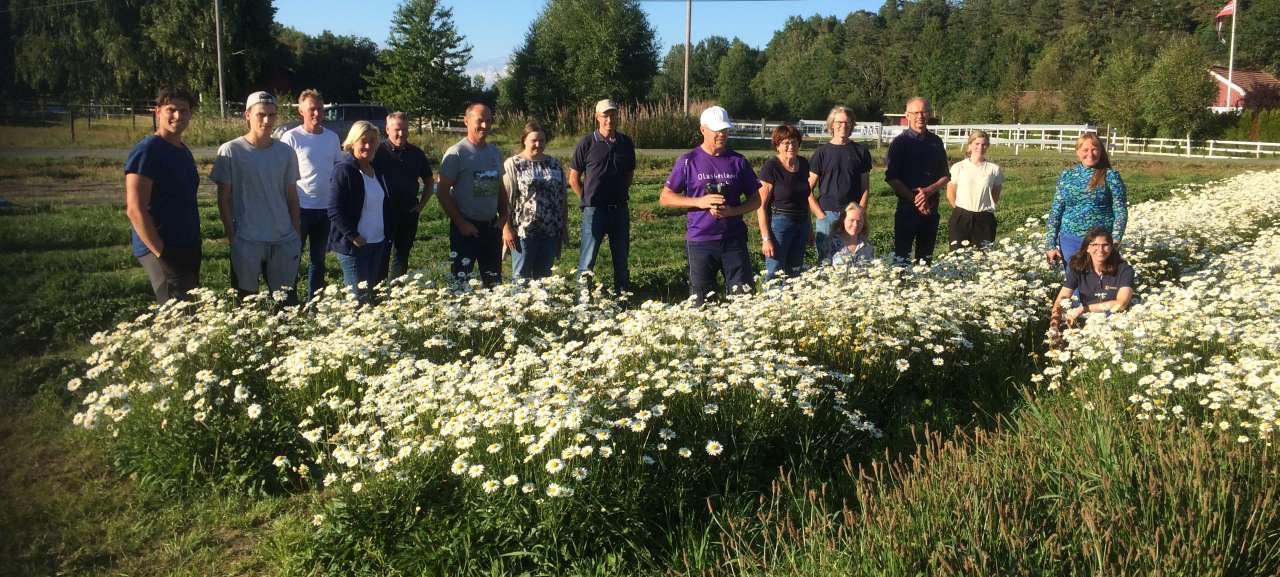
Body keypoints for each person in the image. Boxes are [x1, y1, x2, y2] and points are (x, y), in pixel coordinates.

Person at [659, 105, 761, 304]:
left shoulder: (738, 161)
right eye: (716, 130)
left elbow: (756, 200)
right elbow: (666, 197)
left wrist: (733, 211)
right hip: (700, 241)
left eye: (725, 129)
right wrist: (700, 202)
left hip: (733, 240)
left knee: (744, 300)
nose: (721, 134)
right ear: (703, 130)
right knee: (702, 302)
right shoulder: (688, 161)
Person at [212, 91, 302, 303]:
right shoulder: (230, 151)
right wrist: (232, 236)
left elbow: (292, 196)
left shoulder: (286, 152)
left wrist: (296, 233)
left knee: (286, 303)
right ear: (247, 115)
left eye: (272, 115)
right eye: (261, 114)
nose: (267, 120)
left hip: (282, 238)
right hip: (247, 239)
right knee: (246, 303)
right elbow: (223, 198)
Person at [124, 86, 202, 304]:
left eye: (184, 111)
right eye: (171, 110)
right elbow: (135, 208)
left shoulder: (182, 150)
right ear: (158, 112)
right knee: (175, 309)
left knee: (191, 306)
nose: (178, 116)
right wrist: (161, 252)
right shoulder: (148, 150)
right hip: (162, 247)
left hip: (186, 243)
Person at [279, 89, 342, 300]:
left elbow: (337, 169)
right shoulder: (291, 137)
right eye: (312, 109)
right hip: (299, 208)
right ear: (301, 111)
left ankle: (314, 303)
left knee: (319, 260)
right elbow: (282, 173)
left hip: (325, 210)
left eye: (320, 109)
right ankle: (289, 304)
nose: (316, 113)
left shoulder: (332, 138)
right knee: (292, 259)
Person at [570, 99, 636, 293]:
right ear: (597, 118)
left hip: (619, 211)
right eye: (605, 115)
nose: (609, 119)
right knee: (587, 261)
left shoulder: (625, 143)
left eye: (613, 115)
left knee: (621, 261)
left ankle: (622, 301)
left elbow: (629, 175)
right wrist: (586, 198)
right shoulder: (587, 142)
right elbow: (573, 178)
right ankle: (581, 301)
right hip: (594, 211)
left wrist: (620, 192)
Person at [437, 103, 506, 288]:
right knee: (461, 284)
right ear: (466, 121)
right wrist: (461, 223)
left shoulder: (494, 152)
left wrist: (504, 216)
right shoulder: (457, 153)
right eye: (480, 121)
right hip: (466, 230)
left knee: (494, 283)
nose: (485, 126)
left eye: (489, 121)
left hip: (491, 228)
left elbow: (499, 187)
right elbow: (442, 192)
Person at [328, 121, 393, 304]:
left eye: (372, 141)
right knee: (358, 301)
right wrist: (353, 236)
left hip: (377, 243)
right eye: (363, 141)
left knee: (370, 297)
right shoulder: (344, 170)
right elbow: (334, 210)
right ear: (352, 142)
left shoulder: (374, 170)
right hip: (355, 247)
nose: (368, 146)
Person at [1044, 133, 1128, 266]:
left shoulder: (1111, 176)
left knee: (1099, 284)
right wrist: (1050, 244)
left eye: (1095, 149)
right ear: (1077, 152)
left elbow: (1120, 210)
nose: (1090, 153)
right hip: (1070, 241)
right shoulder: (1067, 176)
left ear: (1101, 151)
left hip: (1100, 244)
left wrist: (1116, 240)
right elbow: (1056, 210)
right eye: (1085, 150)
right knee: (1074, 284)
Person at [885, 97, 949, 264]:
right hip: (907, 208)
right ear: (907, 115)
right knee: (902, 257)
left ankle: (924, 287)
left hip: (931, 208)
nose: (920, 116)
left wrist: (928, 191)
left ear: (929, 114)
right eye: (915, 112)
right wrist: (916, 200)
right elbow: (892, 178)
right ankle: (900, 288)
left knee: (926, 258)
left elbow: (945, 176)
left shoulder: (936, 142)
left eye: (924, 112)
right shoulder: (900, 143)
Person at [502, 122, 568, 281]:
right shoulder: (513, 164)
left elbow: (562, 197)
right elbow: (503, 199)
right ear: (524, 140)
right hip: (523, 232)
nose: (538, 144)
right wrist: (506, 228)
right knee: (521, 278)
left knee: (544, 278)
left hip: (550, 231)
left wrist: (564, 226)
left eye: (542, 140)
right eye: (534, 140)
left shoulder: (554, 164)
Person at [372, 111, 433, 280]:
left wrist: (420, 206)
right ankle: (378, 296)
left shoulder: (416, 154)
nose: (401, 134)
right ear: (387, 129)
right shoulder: (377, 152)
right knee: (381, 256)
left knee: (401, 256)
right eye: (397, 129)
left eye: (405, 130)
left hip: (408, 212)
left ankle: (396, 296)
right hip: (382, 213)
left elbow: (429, 181)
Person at [808, 105, 872, 263]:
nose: (843, 126)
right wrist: (820, 215)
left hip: (852, 216)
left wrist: (861, 213)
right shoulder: (821, 153)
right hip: (828, 214)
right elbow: (807, 188)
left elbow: (865, 188)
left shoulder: (861, 151)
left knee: (855, 259)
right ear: (832, 124)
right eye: (839, 122)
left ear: (851, 125)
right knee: (826, 261)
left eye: (847, 122)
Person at [757, 124, 815, 281]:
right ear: (777, 146)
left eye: (794, 142)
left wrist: (809, 228)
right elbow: (760, 207)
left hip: (801, 223)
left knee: (795, 271)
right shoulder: (771, 167)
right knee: (775, 271)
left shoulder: (803, 164)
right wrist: (766, 239)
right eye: (786, 143)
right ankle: (772, 304)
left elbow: (805, 199)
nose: (791, 146)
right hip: (779, 225)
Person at [1050, 226, 1134, 327]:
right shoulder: (1078, 268)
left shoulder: (1124, 270)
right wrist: (1053, 327)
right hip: (1087, 321)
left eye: (1105, 245)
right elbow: (1061, 300)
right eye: (1094, 245)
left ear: (1111, 247)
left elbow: (1121, 304)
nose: (1100, 249)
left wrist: (1084, 308)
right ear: (1087, 248)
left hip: (1117, 321)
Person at [945, 130, 1003, 249]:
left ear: (987, 146)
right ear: (970, 145)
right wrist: (960, 211)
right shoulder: (959, 167)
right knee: (957, 255)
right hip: (961, 216)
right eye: (976, 144)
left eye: (984, 144)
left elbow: (995, 194)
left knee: (982, 256)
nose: (980, 147)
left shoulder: (994, 169)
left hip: (984, 218)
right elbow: (950, 193)